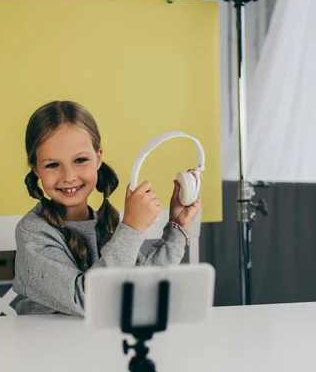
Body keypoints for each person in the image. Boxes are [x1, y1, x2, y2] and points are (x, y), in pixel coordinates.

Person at [13, 101, 201, 316]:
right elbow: (89, 300)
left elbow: (143, 287)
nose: (68, 176)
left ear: (98, 158)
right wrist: (131, 228)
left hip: (100, 345)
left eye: (80, 160)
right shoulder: (33, 233)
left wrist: (178, 226)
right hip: (46, 346)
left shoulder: (107, 224)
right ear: (36, 169)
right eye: (52, 165)